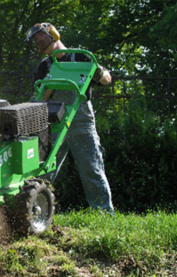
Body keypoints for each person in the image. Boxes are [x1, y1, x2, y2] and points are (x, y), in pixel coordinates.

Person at [25, 22, 114, 212]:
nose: (38, 42)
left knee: (92, 169)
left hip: (81, 121)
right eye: (36, 41)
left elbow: (107, 79)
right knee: (44, 170)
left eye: (41, 38)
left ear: (54, 35)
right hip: (55, 123)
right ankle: (37, 212)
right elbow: (39, 98)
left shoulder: (82, 57)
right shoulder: (43, 67)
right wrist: (48, 85)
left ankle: (104, 212)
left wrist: (99, 72)